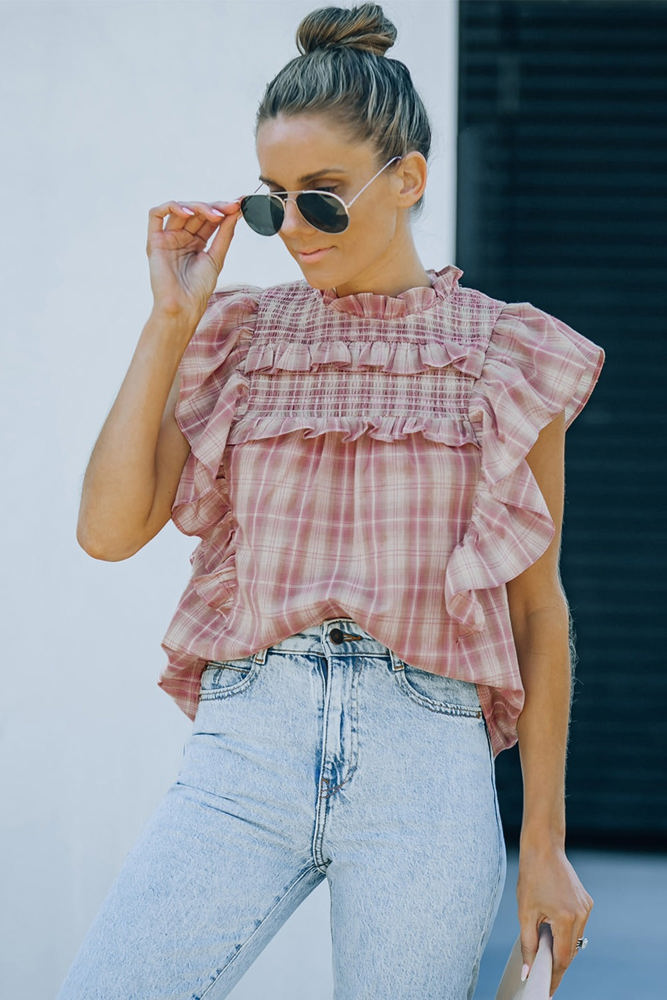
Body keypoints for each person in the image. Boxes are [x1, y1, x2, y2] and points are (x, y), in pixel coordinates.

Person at [57, 4, 604, 999]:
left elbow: (537, 609)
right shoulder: (236, 339)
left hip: (424, 768)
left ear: (408, 180)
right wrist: (167, 321)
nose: (293, 229)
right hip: (243, 754)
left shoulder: (502, 355)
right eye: (272, 202)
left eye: (323, 198)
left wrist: (545, 844)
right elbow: (106, 531)